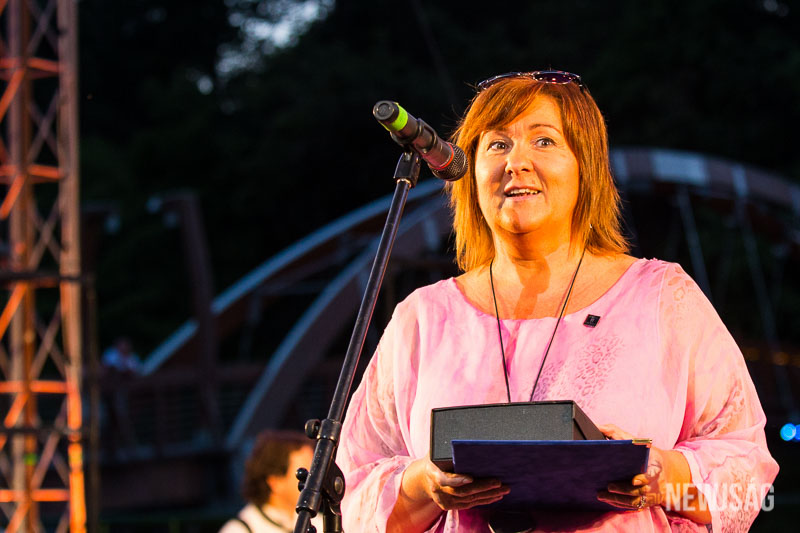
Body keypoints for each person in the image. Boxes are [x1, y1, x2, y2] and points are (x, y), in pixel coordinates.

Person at [337, 71, 778, 532]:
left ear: (585, 166)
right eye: (497, 144)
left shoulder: (663, 298)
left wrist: (664, 477)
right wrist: (422, 484)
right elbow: (354, 488)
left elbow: (747, 484)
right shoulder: (423, 318)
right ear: (469, 174)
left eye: (544, 141)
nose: (516, 162)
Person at [220, 430, 321, 533]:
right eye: (303, 474)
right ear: (275, 481)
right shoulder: (240, 530)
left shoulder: (319, 523)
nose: (315, 480)